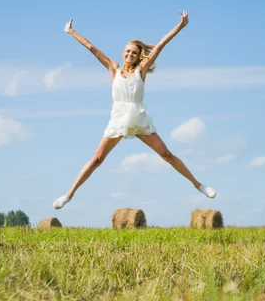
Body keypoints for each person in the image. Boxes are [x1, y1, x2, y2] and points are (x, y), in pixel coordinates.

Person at [53, 11, 216, 210]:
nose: (130, 54)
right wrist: (71, 32)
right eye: (127, 51)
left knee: (166, 154)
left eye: (134, 52)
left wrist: (180, 26)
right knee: (97, 160)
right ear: (123, 53)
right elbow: (91, 48)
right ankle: (68, 195)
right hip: (119, 119)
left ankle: (199, 185)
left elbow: (161, 46)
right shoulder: (113, 68)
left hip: (139, 119)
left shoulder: (141, 70)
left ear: (139, 56)